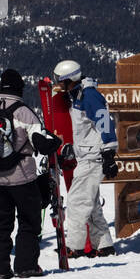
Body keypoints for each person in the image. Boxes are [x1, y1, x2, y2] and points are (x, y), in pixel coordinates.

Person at [0, 69, 62, 279]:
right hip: (22, 178)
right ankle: (26, 266)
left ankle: (0, 270)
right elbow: (42, 143)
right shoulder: (24, 112)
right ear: (19, 88)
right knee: (28, 221)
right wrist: (58, 141)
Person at [52, 60, 118, 258]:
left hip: (93, 158)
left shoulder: (89, 96)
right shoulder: (78, 96)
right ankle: (104, 243)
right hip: (87, 155)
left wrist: (108, 153)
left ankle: (74, 246)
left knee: (77, 201)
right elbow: (86, 129)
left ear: (68, 80)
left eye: (60, 80)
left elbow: (105, 122)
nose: (58, 84)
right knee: (92, 204)